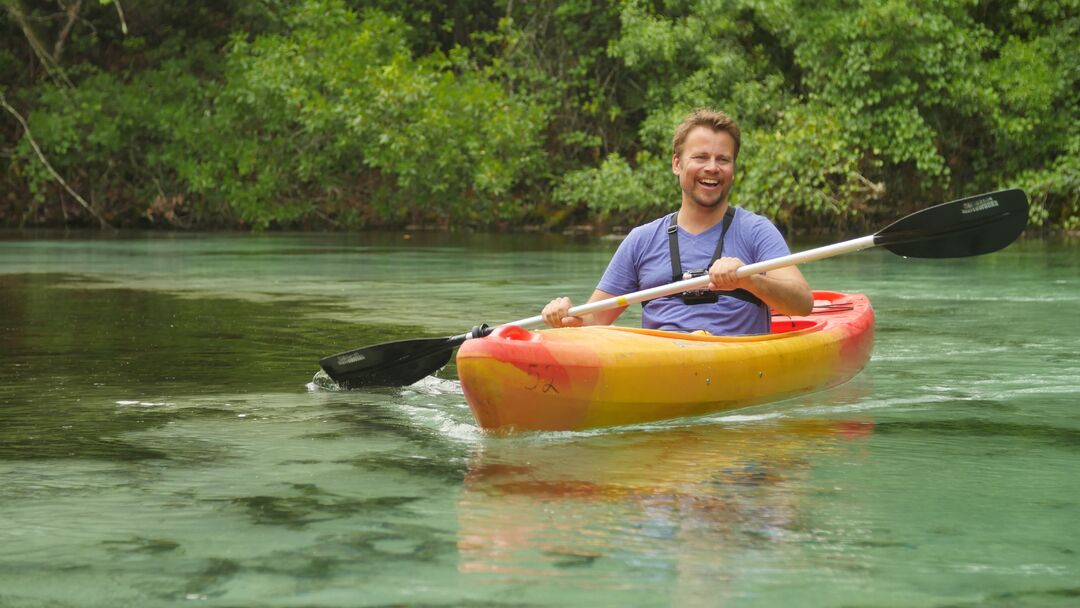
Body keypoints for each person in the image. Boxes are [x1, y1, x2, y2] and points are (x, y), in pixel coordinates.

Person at [541, 108, 813, 335]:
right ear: (677, 164)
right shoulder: (641, 240)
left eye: (723, 159)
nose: (712, 168)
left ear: (733, 169)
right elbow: (592, 322)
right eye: (700, 157)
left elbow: (802, 303)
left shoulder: (756, 231)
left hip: (737, 362)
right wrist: (566, 317)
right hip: (663, 364)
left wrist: (749, 280)